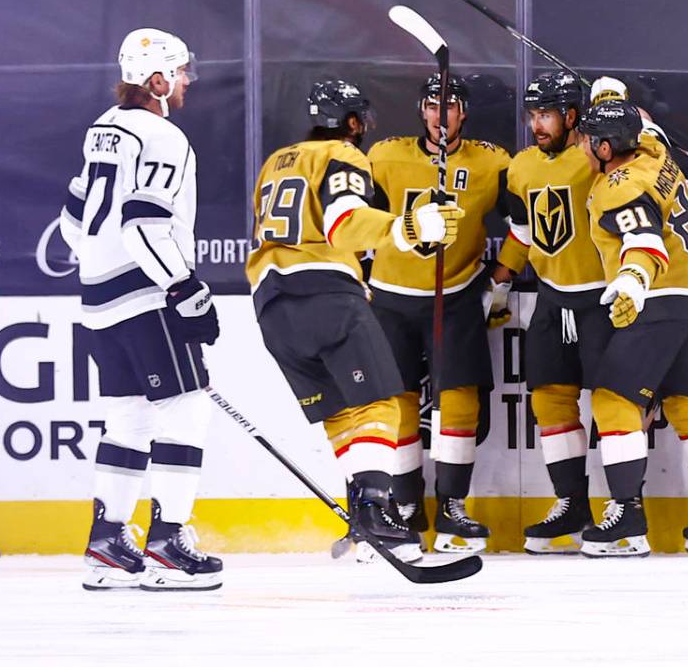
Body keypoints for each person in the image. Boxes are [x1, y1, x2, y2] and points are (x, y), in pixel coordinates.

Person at [245, 118, 463, 564]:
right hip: (325, 294)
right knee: (381, 402)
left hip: (271, 307)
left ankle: (363, 525)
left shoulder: (273, 163)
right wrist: (407, 227)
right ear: (354, 124)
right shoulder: (340, 153)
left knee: (342, 414)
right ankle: (373, 512)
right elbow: (343, 221)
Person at [61, 28, 223, 591]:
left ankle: (107, 540)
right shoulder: (162, 134)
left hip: (100, 299)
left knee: (128, 416)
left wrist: (97, 265)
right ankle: (169, 542)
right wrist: (182, 287)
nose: (184, 84)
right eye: (178, 74)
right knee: (187, 409)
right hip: (147, 294)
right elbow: (144, 220)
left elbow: (74, 220)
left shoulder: (102, 128)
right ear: (156, 81)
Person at [366, 73, 511, 554]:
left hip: (456, 294)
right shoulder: (383, 156)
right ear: (421, 110)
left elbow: (529, 223)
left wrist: (503, 276)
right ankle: (407, 504)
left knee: (460, 401)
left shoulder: (492, 162)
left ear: (462, 112)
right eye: (431, 106)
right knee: (399, 399)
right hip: (390, 294)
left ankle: (452, 507)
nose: (438, 115)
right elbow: (351, 220)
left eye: (447, 106)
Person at [586, 76, 688, 554]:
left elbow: (642, 238)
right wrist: (612, 103)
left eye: (589, 139)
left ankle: (626, 518)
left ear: (605, 148)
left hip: (657, 300)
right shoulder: (655, 152)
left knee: (613, 401)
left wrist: (633, 279)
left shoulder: (617, 186)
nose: (583, 145)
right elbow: (645, 128)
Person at [491, 70, 606, 554]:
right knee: (549, 402)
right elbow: (523, 230)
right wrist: (501, 279)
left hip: (604, 297)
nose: (537, 125)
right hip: (553, 297)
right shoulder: (520, 168)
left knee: (618, 406)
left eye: (547, 115)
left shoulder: (599, 158)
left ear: (573, 115)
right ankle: (572, 502)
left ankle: (627, 506)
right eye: (533, 115)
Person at [306, 79, 374, 148]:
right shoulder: (353, 157)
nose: (372, 125)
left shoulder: (298, 153)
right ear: (353, 123)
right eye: (364, 115)